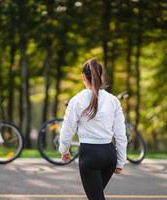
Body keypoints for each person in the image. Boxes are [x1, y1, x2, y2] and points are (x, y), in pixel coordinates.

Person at [58, 58, 127, 200]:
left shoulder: (76, 100)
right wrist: (120, 160)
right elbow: (121, 134)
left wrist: (64, 150)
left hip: (90, 156)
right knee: (95, 196)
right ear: (101, 76)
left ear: (83, 77)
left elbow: (67, 129)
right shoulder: (113, 100)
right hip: (109, 155)